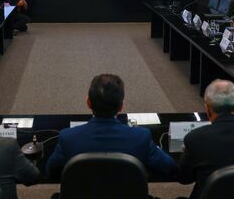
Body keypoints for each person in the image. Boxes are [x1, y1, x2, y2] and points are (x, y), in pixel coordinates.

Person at [46, 74, 176, 179]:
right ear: (121, 107)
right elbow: (171, 168)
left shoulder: (68, 137)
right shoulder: (141, 137)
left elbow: (50, 172)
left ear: (88, 103)